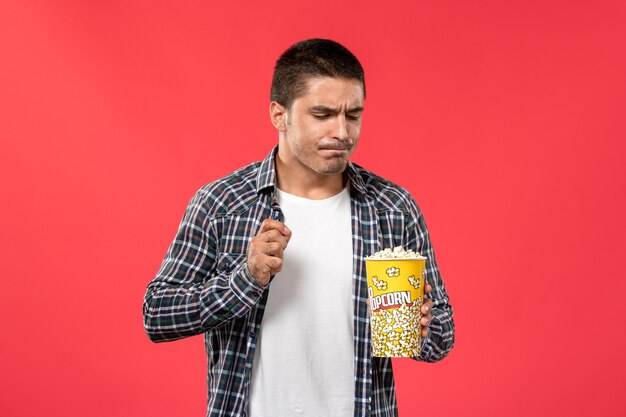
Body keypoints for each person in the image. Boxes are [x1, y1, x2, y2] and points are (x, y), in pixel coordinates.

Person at [143, 38, 454, 417]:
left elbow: (441, 338)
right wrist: (246, 278)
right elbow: (157, 315)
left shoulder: (391, 208)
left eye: (353, 115)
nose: (342, 132)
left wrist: (420, 330)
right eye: (322, 115)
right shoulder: (223, 203)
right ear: (279, 115)